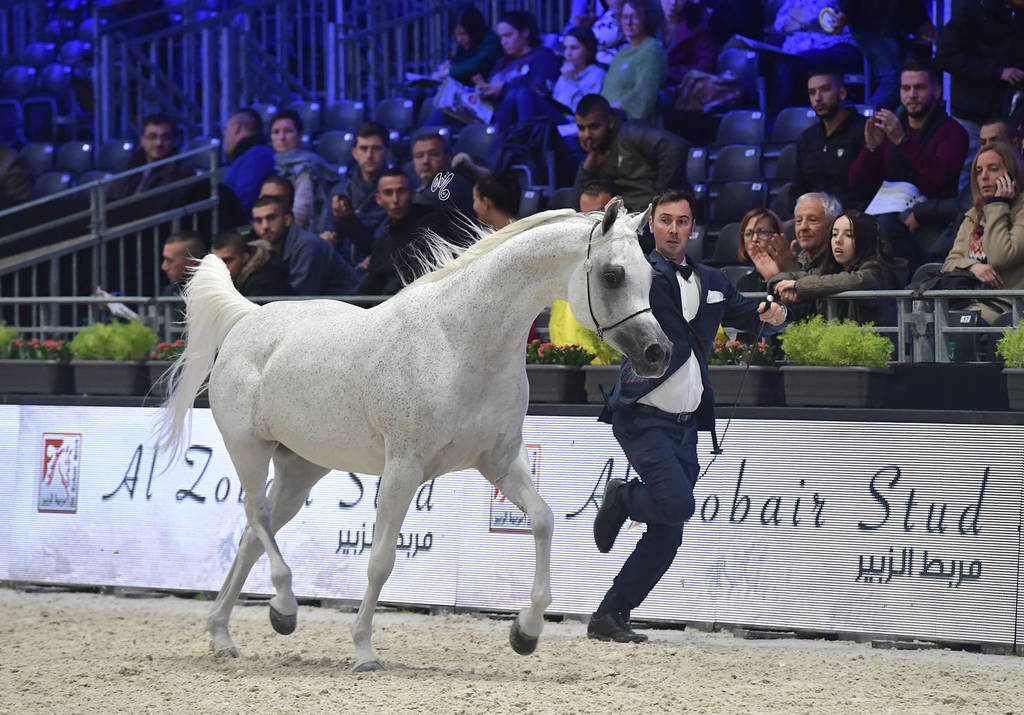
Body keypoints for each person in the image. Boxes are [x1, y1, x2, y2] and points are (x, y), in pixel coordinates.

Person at [589, 190, 787, 642]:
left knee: (667, 533)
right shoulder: (639, 274)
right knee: (677, 504)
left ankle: (609, 616)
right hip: (642, 414)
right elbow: (605, 278)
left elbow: (755, 318)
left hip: (687, 426)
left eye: (682, 221)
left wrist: (774, 313)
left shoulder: (713, 279)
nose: (674, 229)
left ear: (692, 227)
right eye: (665, 221)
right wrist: (611, 226)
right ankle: (621, 497)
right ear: (652, 226)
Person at [848, 60, 969, 269]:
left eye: (919, 88)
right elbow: (857, 183)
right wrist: (871, 149)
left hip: (931, 214)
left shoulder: (953, 131)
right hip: (886, 206)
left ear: (937, 90)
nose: (911, 95)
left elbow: (940, 179)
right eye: (906, 88)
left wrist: (904, 142)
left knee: (883, 226)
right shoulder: (891, 127)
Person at [935, 0, 1024, 191]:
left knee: (1008, 172)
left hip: (1009, 115)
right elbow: (945, 56)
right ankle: (967, 219)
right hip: (972, 113)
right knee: (970, 175)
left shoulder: (1017, 16)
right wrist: (997, 71)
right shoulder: (972, 11)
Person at [771, 209, 908, 325]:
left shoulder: (876, 271)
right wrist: (780, 285)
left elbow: (854, 281)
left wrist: (797, 287)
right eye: (834, 234)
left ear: (865, 241)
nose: (838, 240)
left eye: (849, 235)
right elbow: (807, 277)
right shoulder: (833, 270)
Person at [941, 140, 1024, 324]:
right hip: (970, 303)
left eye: (993, 168)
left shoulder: (1021, 211)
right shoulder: (974, 215)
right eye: (979, 171)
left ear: (1012, 173)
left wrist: (997, 206)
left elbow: (1001, 256)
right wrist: (973, 267)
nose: (984, 177)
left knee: (963, 324)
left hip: (1008, 309)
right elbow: (949, 263)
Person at [572, 93, 689, 212]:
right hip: (624, 221)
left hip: (651, 217)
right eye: (581, 128)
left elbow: (675, 146)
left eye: (594, 127)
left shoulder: (630, 132)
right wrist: (587, 168)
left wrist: (662, 198)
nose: (587, 135)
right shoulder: (596, 154)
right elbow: (577, 207)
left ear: (611, 121)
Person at [358, 169, 452, 295]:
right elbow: (370, 285)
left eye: (401, 191)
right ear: (378, 199)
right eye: (388, 193)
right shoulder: (384, 240)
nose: (395, 200)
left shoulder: (433, 224)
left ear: (412, 194)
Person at [250, 196, 360, 295]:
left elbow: (300, 299)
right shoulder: (263, 248)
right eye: (258, 221)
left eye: (271, 218)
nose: (265, 226)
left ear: (287, 220)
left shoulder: (307, 245)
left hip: (351, 310)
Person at [793, 72, 871, 211]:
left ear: (842, 93)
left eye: (825, 90)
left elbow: (868, 187)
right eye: (812, 92)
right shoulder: (807, 138)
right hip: (814, 216)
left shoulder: (865, 131)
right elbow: (798, 187)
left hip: (854, 215)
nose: (817, 98)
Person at [475, 11, 561, 129]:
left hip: (530, 121)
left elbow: (540, 93)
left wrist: (504, 89)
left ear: (525, 33)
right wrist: (484, 90)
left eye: (508, 35)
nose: (504, 42)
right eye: (501, 37)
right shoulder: (503, 62)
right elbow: (492, 86)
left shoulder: (542, 57)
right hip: (496, 114)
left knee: (516, 94)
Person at [106, 114, 195, 207]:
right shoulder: (128, 164)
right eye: (152, 137)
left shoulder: (182, 171)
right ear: (142, 140)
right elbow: (111, 197)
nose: (159, 143)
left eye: (165, 137)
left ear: (173, 140)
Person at [269, 109, 336, 230]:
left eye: (288, 131)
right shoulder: (270, 165)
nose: (282, 137)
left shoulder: (307, 167)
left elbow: (301, 213)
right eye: (276, 132)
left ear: (300, 135)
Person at [600, 0, 666, 123]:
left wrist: (609, 111)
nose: (628, 22)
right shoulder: (621, 53)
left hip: (630, 127)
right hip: (605, 121)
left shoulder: (652, 49)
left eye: (634, 17)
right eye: (625, 17)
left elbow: (644, 94)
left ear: (646, 19)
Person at [409, 130, 475, 224]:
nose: (425, 161)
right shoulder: (419, 187)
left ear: (448, 158)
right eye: (419, 156)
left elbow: (425, 200)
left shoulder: (451, 181)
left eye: (434, 154)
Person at [432, 4, 502, 85]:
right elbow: (457, 61)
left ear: (473, 29)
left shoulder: (490, 41)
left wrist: (449, 71)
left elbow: (478, 63)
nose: (459, 39)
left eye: (463, 34)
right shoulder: (464, 44)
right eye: (457, 35)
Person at [210, 230, 293, 297]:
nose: (220, 267)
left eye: (227, 261)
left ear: (245, 257)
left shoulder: (264, 282)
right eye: (216, 261)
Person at [223, 108, 276, 213]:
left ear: (236, 128)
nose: (224, 138)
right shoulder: (249, 156)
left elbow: (243, 200)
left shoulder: (258, 154)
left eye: (226, 130)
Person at [735, 207, 797, 293]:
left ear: (778, 236)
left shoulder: (793, 275)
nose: (754, 239)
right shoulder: (743, 283)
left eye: (763, 232)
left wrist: (775, 278)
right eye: (748, 234)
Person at [552, 26, 607, 115]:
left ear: (588, 50)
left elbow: (585, 111)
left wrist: (570, 81)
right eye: (565, 48)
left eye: (574, 48)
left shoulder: (597, 74)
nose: (568, 53)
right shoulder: (564, 74)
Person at [663, 0, 716, 86]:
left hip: (678, 86)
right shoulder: (644, 16)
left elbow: (705, 65)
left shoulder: (697, 23)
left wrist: (669, 73)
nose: (672, 2)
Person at [160, 230, 207, 296]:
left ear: (192, 264)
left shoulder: (211, 294)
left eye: (170, 261)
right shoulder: (170, 291)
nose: (164, 267)